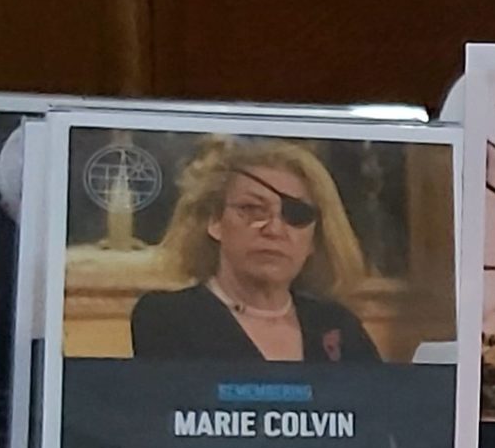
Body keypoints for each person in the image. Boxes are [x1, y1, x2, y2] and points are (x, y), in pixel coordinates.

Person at [130, 138, 381, 362]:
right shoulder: (169, 317)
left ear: (314, 240)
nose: (274, 229)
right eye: (252, 209)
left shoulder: (337, 327)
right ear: (214, 222)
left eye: (296, 215)